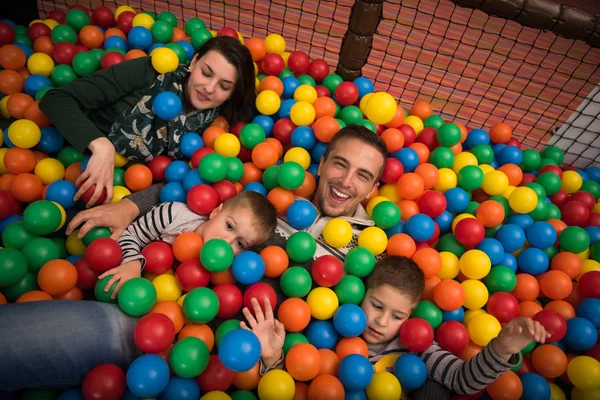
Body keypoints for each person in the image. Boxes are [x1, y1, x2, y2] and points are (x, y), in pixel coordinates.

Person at [0, 125, 450, 398]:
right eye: (340, 165)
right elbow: (199, 201)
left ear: (373, 190)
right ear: (322, 162)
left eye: (363, 176)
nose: (345, 182)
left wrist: (275, 362)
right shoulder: (276, 201)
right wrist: (129, 206)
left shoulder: (374, 249)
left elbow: (415, 344)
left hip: (243, 365)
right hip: (154, 315)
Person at [245, 256, 551, 396]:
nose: (381, 321)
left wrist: (502, 348)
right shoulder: (325, 330)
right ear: (361, 292)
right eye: (377, 306)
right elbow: (292, 388)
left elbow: (461, 381)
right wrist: (273, 360)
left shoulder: (417, 349)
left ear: (411, 316)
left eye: (397, 316)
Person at [39, 36, 255, 207]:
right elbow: (56, 99)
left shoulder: (217, 122)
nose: (209, 89)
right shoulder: (148, 72)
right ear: (195, 61)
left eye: (224, 86)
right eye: (206, 73)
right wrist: (99, 144)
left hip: (132, 191)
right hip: (68, 165)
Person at [101, 190, 277, 299]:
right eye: (229, 226)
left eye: (240, 243)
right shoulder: (174, 215)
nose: (227, 241)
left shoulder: (224, 272)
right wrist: (132, 263)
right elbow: (130, 234)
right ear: (216, 212)